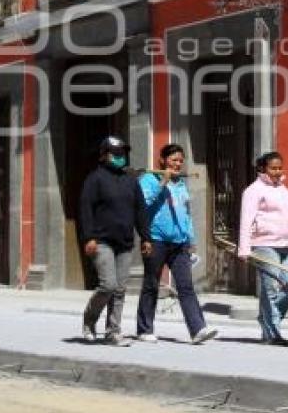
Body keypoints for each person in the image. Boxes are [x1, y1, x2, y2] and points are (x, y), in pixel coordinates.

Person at [136, 144, 218, 345]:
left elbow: (186, 213)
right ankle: (144, 329)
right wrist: (161, 183)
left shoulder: (181, 183)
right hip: (156, 240)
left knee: (185, 286)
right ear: (163, 160)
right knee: (151, 284)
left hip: (179, 243)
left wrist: (190, 240)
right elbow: (143, 204)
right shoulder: (148, 179)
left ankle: (197, 329)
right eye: (174, 159)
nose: (178, 163)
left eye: (181, 160)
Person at [80, 135, 152, 346]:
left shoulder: (131, 180)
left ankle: (113, 332)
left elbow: (140, 211)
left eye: (123, 153)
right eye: (116, 153)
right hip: (102, 241)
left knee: (120, 289)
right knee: (108, 285)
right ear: (104, 156)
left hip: (125, 242)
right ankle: (89, 320)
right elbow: (85, 209)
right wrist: (89, 237)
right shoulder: (95, 179)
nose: (121, 157)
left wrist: (146, 237)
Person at [237, 151, 288, 346]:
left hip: (287, 245)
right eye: (273, 168)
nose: (277, 171)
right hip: (264, 244)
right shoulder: (253, 191)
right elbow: (246, 220)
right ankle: (271, 333)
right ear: (263, 169)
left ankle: (267, 320)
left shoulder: (285, 191)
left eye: (279, 167)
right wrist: (244, 249)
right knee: (270, 289)